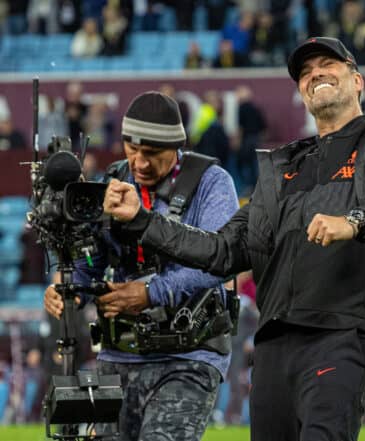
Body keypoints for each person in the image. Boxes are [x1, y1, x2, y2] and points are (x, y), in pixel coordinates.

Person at [104, 37, 365, 441]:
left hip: (345, 332)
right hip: (274, 342)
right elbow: (221, 250)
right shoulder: (284, 167)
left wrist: (355, 221)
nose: (315, 74)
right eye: (305, 72)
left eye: (328, 66)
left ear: (357, 80)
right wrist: (142, 221)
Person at [43, 91, 239, 441]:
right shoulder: (114, 179)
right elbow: (93, 259)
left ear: (177, 147)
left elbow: (220, 261)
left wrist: (150, 293)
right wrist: (69, 290)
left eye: (152, 154)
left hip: (189, 355)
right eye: (132, 151)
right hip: (119, 356)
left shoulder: (212, 182)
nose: (140, 164)